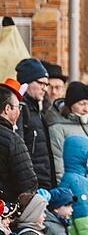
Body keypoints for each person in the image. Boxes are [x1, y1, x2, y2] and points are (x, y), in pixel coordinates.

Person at [15, 57, 54, 188]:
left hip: (44, 182)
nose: (45, 89)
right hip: (32, 185)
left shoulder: (38, 111)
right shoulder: (20, 111)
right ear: (26, 83)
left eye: (46, 84)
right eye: (41, 83)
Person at [0, 85, 36, 204]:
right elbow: (28, 185)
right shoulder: (12, 140)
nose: (19, 111)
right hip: (6, 212)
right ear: (7, 109)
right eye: (17, 107)